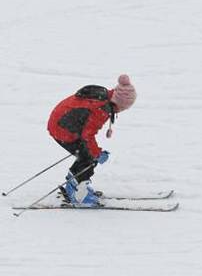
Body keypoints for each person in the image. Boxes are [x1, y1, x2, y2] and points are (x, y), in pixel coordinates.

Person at [47, 74, 137, 206]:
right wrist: (97, 153)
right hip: (63, 130)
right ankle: (78, 194)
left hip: (61, 124)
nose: (123, 110)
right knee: (89, 159)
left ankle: (73, 185)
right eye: (124, 107)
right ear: (120, 103)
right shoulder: (101, 108)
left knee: (86, 155)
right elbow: (87, 136)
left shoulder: (104, 97)